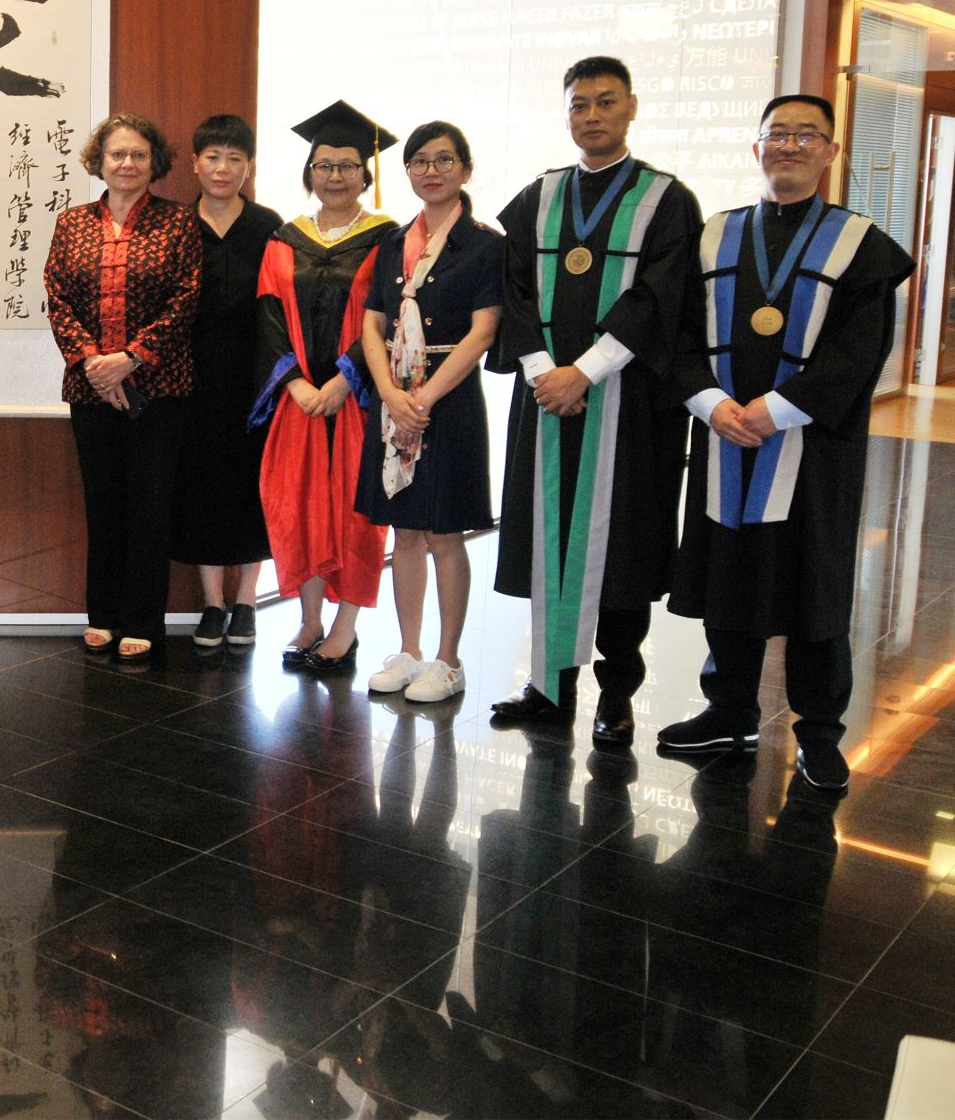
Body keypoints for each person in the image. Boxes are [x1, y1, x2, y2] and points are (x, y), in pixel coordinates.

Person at [659, 94, 914, 792]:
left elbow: (859, 352)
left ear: (831, 152)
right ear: (757, 148)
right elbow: (677, 336)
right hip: (724, 436)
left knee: (814, 586)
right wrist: (712, 404)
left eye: (807, 135)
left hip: (813, 450)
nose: (791, 146)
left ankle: (820, 734)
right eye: (778, 134)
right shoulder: (713, 236)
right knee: (729, 573)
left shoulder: (860, 246)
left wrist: (774, 411)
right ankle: (729, 710)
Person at [489, 56, 701, 746]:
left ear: (632, 107)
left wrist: (584, 371)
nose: (592, 116)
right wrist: (544, 372)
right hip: (546, 399)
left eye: (606, 102)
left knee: (621, 546)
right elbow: (515, 292)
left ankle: (616, 695)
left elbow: (660, 300)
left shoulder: (665, 200)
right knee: (548, 537)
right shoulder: (538, 197)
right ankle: (549, 686)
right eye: (579, 105)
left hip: (625, 402)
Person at [43, 111, 202, 662]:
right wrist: (94, 363)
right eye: (117, 154)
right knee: (103, 505)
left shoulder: (178, 223)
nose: (127, 163)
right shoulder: (72, 223)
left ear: (154, 162)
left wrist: (130, 359)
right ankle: (103, 616)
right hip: (90, 390)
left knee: (150, 509)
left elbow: (185, 298)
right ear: (100, 161)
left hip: (159, 389)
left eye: (138, 154)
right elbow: (57, 297)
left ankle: (142, 620)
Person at [356, 122, 503, 704]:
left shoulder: (485, 245)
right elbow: (372, 324)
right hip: (395, 399)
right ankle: (409, 651)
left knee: (445, 533)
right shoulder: (393, 242)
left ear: (466, 169)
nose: (431, 171)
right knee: (406, 531)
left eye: (444, 160)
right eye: (419, 161)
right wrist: (391, 395)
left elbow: (483, 331)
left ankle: (448, 660)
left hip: (449, 399)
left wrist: (423, 399)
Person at [252, 100, 397, 675]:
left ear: (365, 173)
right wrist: (294, 383)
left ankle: (345, 628)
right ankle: (310, 619)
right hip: (300, 402)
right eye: (324, 166)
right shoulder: (285, 238)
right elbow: (267, 315)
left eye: (347, 166)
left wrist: (344, 380)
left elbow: (387, 317)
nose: (335, 176)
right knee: (297, 507)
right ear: (309, 173)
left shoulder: (388, 238)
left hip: (356, 399)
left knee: (355, 514)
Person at [171, 114, 283, 649]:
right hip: (189, 377)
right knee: (201, 487)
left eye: (234, 158)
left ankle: (247, 601)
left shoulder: (269, 226)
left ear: (249, 167)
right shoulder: (174, 225)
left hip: (254, 378)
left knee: (251, 486)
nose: (223, 168)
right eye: (213, 157)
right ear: (195, 164)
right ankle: (213, 603)